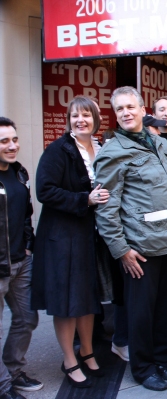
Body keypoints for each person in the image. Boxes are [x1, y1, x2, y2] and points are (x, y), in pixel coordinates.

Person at [95, 86, 167, 391]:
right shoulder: (112, 152)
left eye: (130, 107)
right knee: (140, 314)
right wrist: (122, 250)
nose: (125, 113)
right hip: (141, 249)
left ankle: (162, 359)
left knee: (165, 309)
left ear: (141, 107)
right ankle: (143, 367)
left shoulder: (159, 143)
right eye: (119, 109)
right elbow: (106, 210)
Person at [32, 95, 109, 388]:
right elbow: (45, 191)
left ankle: (88, 352)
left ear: (96, 119)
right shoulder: (58, 150)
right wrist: (84, 199)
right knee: (66, 303)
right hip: (62, 239)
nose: (81, 121)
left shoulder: (100, 148)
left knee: (87, 299)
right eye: (75, 116)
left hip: (90, 236)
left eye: (86, 115)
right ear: (68, 120)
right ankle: (69, 360)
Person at [0, 117, 41, 399]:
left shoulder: (18, 172)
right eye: (4, 141)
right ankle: (3, 387)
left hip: (20, 261)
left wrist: (28, 245)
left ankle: (13, 371)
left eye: (14, 140)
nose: (12, 146)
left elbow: (26, 213)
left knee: (27, 319)